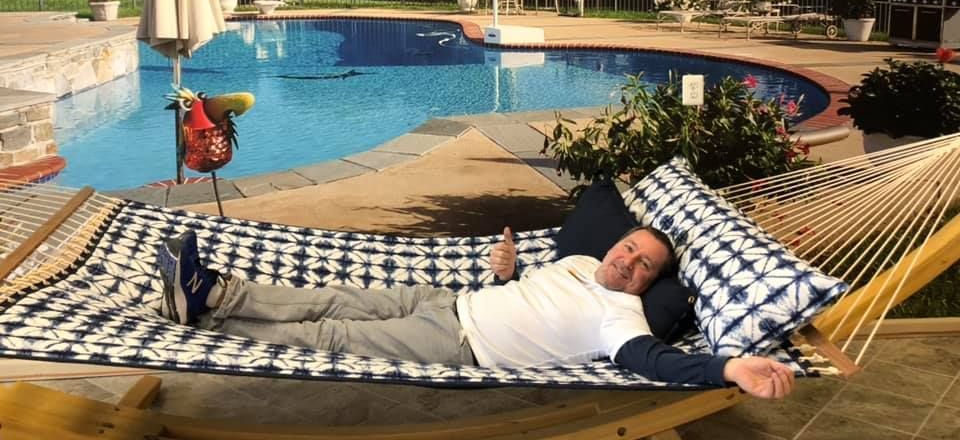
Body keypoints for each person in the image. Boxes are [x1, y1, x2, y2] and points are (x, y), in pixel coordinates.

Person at [156, 226, 794, 400]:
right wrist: (507, 268)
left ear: (649, 281)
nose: (629, 263)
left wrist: (729, 368)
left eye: (645, 265)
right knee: (337, 295)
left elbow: (652, 361)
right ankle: (214, 292)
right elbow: (528, 294)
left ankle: (207, 320)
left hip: (461, 343)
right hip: (450, 298)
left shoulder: (622, 316)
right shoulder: (577, 265)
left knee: (335, 335)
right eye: (629, 247)